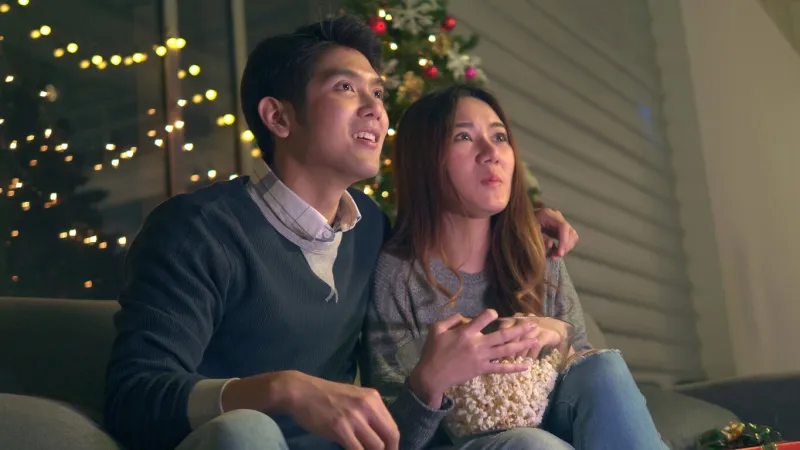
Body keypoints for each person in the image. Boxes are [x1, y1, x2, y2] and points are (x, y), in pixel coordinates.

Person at [103, 15, 579, 450]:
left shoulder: (370, 230)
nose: (375, 108)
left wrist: (519, 220)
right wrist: (282, 389)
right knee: (248, 429)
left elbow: (443, 241)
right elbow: (133, 397)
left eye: (378, 93)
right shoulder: (198, 230)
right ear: (279, 117)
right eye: (346, 88)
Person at [360, 84, 666, 450]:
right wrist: (430, 381)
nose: (492, 153)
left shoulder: (534, 254)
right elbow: (391, 438)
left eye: (499, 136)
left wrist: (558, 334)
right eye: (463, 137)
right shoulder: (397, 274)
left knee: (605, 368)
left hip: (553, 430)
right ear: (425, 158)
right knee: (531, 444)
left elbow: (587, 382)